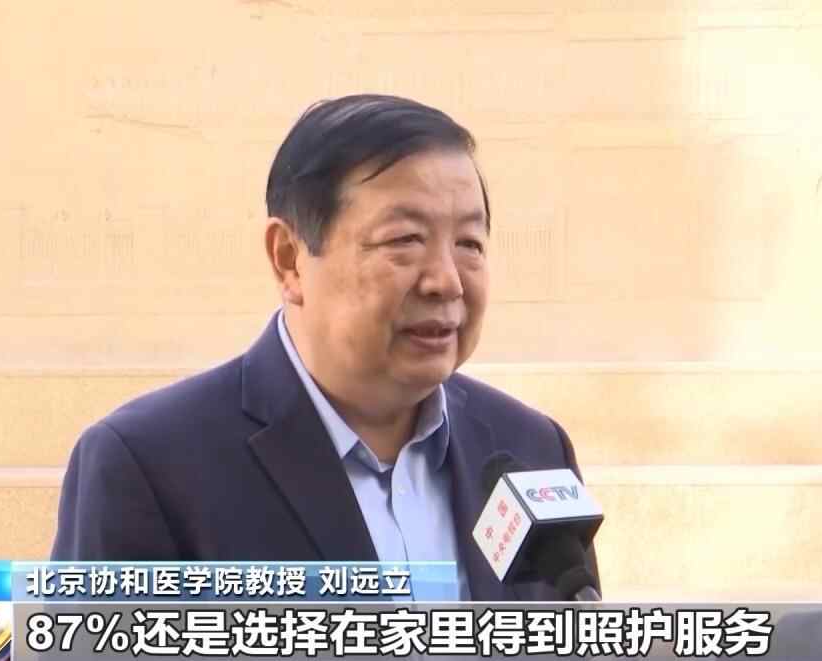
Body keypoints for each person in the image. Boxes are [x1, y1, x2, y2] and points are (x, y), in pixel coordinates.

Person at [50, 93, 597, 601]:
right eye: (405, 240)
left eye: (469, 244)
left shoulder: (532, 448)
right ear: (289, 258)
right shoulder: (147, 466)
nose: (446, 281)